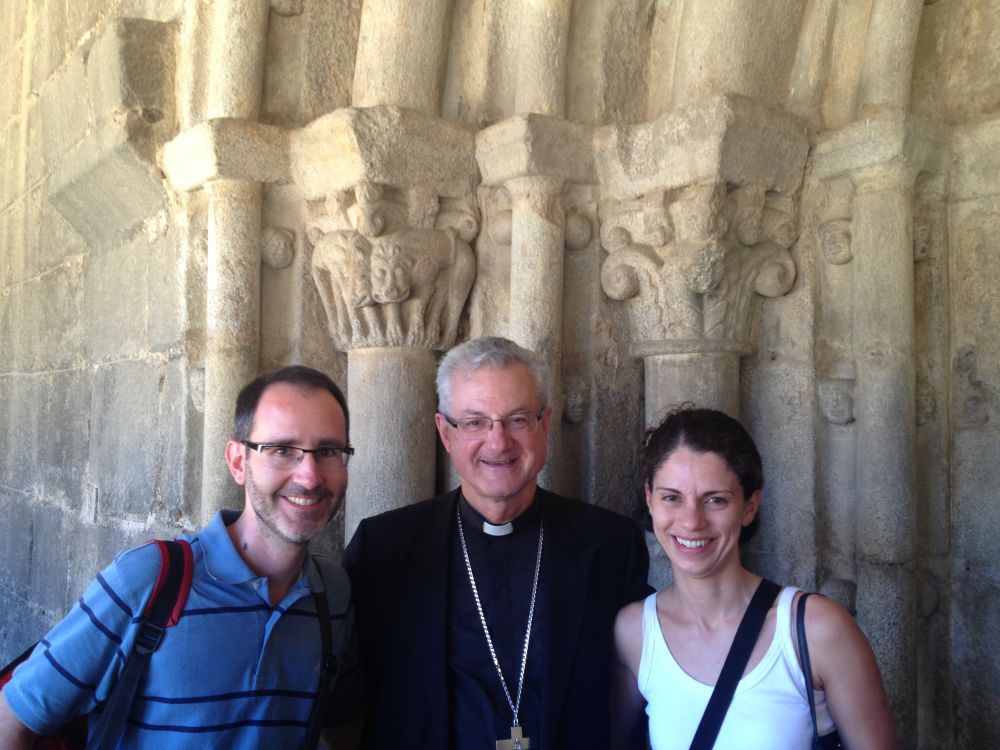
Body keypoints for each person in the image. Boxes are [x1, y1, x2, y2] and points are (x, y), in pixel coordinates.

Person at [0, 366, 363, 749]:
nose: (309, 476)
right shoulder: (148, 579)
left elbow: (341, 728)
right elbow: (13, 720)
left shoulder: (333, 595)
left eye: (327, 451)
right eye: (281, 450)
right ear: (239, 462)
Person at [343, 336, 651, 749]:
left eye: (518, 419)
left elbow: (638, 692)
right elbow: (345, 703)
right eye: (474, 422)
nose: (498, 441)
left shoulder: (610, 547)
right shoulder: (383, 550)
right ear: (445, 432)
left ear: (545, 424)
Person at [612, 406, 897, 749]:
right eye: (672, 498)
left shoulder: (815, 630)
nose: (691, 522)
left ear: (749, 507)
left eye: (715, 500)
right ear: (650, 499)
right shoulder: (635, 632)